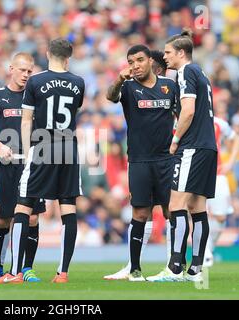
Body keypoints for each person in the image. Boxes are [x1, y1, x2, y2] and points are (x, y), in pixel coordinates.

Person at [0, 38, 85, 284]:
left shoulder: (36, 81)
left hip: (42, 145)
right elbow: (73, 113)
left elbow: (26, 120)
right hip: (68, 148)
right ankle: (62, 273)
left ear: (47, 53)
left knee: (23, 206)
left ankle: (15, 272)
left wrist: (27, 149)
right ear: (68, 58)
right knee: (68, 208)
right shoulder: (78, 83)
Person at [104, 45, 177, 281]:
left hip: (167, 159)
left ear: (150, 62)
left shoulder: (170, 86)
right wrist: (118, 79)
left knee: (171, 211)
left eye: (139, 60)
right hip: (139, 159)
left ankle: (173, 267)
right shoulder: (128, 87)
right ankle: (134, 269)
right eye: (131, 61)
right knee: (140, 212)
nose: (135, 65)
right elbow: (110, 96)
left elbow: (184, 115)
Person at [0, 52, 46, 283]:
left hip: (33, 167)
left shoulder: (36, 96)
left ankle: (27, 268)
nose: (26, 74)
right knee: (3, 219)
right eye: (22, 70)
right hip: (9, 165)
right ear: (11, 68)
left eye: (30, 71)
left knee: (32, 218)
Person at [155, 29, 217, 282]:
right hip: (208, 146)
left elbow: (188, 111)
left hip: (191, 146)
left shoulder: (185, 72)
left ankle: (175, 268)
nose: (165, 57)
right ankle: (196, 270)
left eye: (168, 53)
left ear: (181, 53)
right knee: (197, 207)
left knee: (176, 205)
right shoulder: (201, 72)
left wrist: (176, 140)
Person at [204, 116, 239, 266]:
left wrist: (230, 163)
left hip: (218, 174)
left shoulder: (218, 122)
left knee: (221, 217)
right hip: (196, 173)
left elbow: (237, 140)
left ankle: (209, 248)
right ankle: (205, 253)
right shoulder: (188, 118)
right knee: (199, 213)